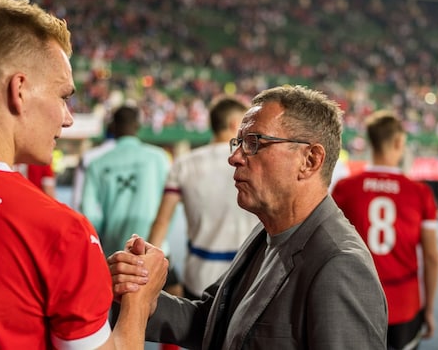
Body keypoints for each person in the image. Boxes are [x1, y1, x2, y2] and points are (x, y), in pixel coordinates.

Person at [0, 0, 167, 349]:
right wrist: (140, 299)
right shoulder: (60, 233)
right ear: (19, 90)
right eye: (63, 96)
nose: (68, 117)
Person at [111, 85, 388, 349]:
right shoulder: (267, 231)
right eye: (239, 142)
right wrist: (135, 294)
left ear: (310, 160)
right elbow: (212, 321)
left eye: (254, 143)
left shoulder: (340, 266)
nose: (235, 157)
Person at [331, 110, 438, 350]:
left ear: (370, 142)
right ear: (399, 142)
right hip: (405, 304)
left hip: (355, 300)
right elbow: (431, 257)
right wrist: (429, 309)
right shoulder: (420, 193)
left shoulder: (345, 188)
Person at [147, 96, 259, 300]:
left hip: (199, 277)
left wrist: (147, 275)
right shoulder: (256, 162)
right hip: (250, 276)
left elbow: (161, 223)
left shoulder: (184, 164)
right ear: (236, 124)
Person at [79, 105, 181, 318]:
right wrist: (160, 239)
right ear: (137, 126)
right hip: (155, 248)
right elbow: (171, 205)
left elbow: (89, 213)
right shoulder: (159, 157)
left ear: (112, 127)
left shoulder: (97, 164)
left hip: (117, 252)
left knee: (121, 315)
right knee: (171, 306)